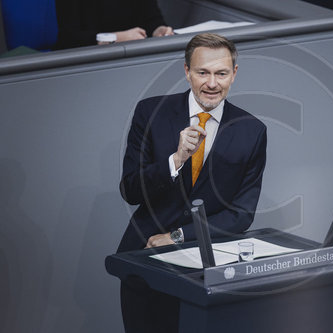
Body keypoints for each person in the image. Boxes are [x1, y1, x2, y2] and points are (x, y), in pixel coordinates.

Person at [117, 33, 267, 332]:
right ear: (187, 71)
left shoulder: (252, 130)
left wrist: (178, 236)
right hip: (146, 261)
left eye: (221, 73)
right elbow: (131, 190)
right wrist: (175, 159)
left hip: (208, 269)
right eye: (203, 72)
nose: (212, 83)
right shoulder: (150, 112)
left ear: (234, 74)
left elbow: (241, 213)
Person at [54, 0, 174, 49]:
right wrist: (116, 38)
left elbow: (152, 20)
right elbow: (68, 38)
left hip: (134, 54)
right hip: (87, 61)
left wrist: (159, 30)